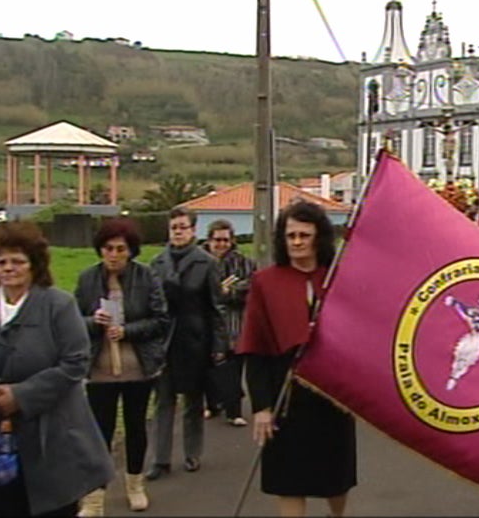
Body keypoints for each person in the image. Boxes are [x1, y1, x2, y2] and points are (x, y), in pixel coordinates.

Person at [0, 221, 115, 517]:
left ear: (34, 266)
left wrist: (21, 395)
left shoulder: (59, 305)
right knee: (2, 506)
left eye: (17, 261)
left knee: (53, 508)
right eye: (2, 262)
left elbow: (76, 362)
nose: (8, 268)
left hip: (52, 437)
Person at [237, 201, 357, 517]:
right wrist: (261, 407)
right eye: (290, 235)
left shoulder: (338, 281)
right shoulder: (265, 282)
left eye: (304, 235)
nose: (297, 242)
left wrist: (354, 393)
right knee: (288, 481)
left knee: (336, 478)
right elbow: (255, 346)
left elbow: (356, 343)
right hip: (284, 395)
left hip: (331, 397)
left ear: (318, 238)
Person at [74, 218, 170, 515]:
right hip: (99, 368)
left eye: (120, 249)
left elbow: (160, 320)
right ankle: (94, 496)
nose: (113, 255)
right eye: (107, 248)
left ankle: (135, 485)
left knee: (135, 427)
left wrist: (128, 330)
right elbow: (72, 321)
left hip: (137, 367)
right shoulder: (87, 279)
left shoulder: (146, 277)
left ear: (131, 251)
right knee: (99, 431)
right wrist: (94, 322)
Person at [145, 207, 228, 480]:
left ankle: (192, 453)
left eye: (183, 227)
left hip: (195, 339)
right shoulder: (156, 263)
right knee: (163, 400)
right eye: (174, 227)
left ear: (193, 230)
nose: (178, 232)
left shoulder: (207, 263)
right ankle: (160, 459)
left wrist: (218, 345)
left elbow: (216, 308)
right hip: (165, 339)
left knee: (193, 400)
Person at [202, 218, 256, 427]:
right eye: (217, 240)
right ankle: (212, 404)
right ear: (209, 240)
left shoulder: (245, 262)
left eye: (225, 240)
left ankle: (234, 412)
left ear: (232, 241)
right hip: (208, 323)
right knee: (209, 367)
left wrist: (229, 291)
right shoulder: (200, 261)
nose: (221, 244)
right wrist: (217, 291)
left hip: (235, 323)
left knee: (234, 368)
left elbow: (251, 287)